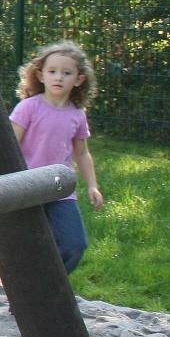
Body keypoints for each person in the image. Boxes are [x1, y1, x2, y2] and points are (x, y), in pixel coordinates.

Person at [10, 40, 103, 274]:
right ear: (40, 75)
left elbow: (82, 153)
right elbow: (9, 146)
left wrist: (92, 186)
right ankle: (28, 288)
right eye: (52, 71)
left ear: (79, 79)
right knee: (28, 245)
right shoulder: (28, 108)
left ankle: (47, 285)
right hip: (26, 187)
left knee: (74, 244)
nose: (58, 77)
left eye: (66, 72)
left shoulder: (77, 114)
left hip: (60, 190)